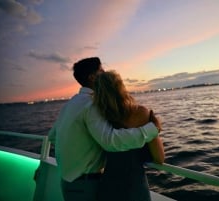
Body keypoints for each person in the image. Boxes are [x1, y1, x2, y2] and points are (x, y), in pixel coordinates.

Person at [47, 57, 161, 201]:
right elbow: (110, 141)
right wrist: (152, 129)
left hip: (67, 181)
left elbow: (52, 136)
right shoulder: (91, 104)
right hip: (85, 185)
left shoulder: (70, 104)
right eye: (101, 71)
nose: (105, 73)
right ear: (92, 77)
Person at [94, 70, 165, 201]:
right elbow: (159, 158)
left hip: (107, 186)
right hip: (134, 186)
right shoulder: (140, 113)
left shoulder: (99, 118)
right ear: (121, 88)